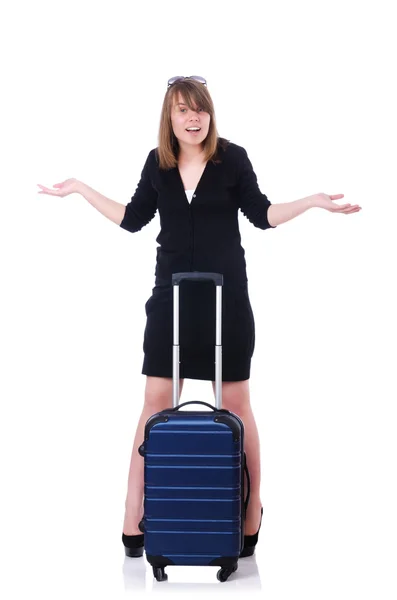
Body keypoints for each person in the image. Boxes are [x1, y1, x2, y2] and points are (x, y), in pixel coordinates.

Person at [37, 75, 361, 559]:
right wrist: (81, 188)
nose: (193, 118)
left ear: (210, 114)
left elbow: (262, 214)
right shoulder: (158, 163)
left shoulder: (232, 158)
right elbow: (131, 219)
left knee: (235, 405)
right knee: (153, 403)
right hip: (171, 299)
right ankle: (133, 515)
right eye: (183, 110)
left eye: (200, 109)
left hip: (226, 298)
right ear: (169, 117)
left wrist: (313, 202)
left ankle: (251, 513)